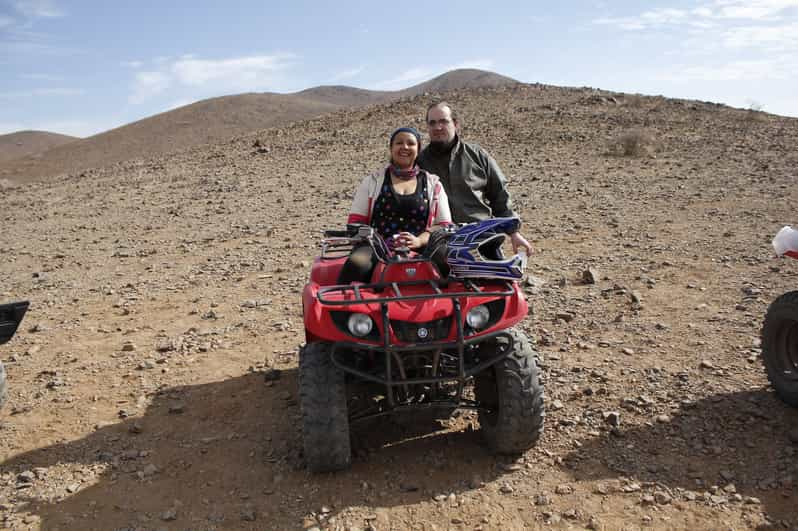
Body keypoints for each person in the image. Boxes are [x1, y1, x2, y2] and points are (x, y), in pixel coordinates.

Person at [417, 101, 532, 254]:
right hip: (439, 244)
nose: (438, 127)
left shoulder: (477, 155)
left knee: (500, 278)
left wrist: (513, 232)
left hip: (482, 238)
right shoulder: (419, 163)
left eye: (444, 121)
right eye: (432, 123)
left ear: (456, 124)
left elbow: (500, 195)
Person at [340, 127, 452, 283]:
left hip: (423, 245)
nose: (404, 147)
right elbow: (355, 222)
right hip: (377, 245)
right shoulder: (372, 181)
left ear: (418, 149)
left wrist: (419, 240)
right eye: (399, 143)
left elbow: (444, 225)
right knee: (356, 265)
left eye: (410, 143)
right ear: (391, 148)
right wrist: (380, 241)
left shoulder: (434, 184)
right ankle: (342, 307)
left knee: (449, 263)